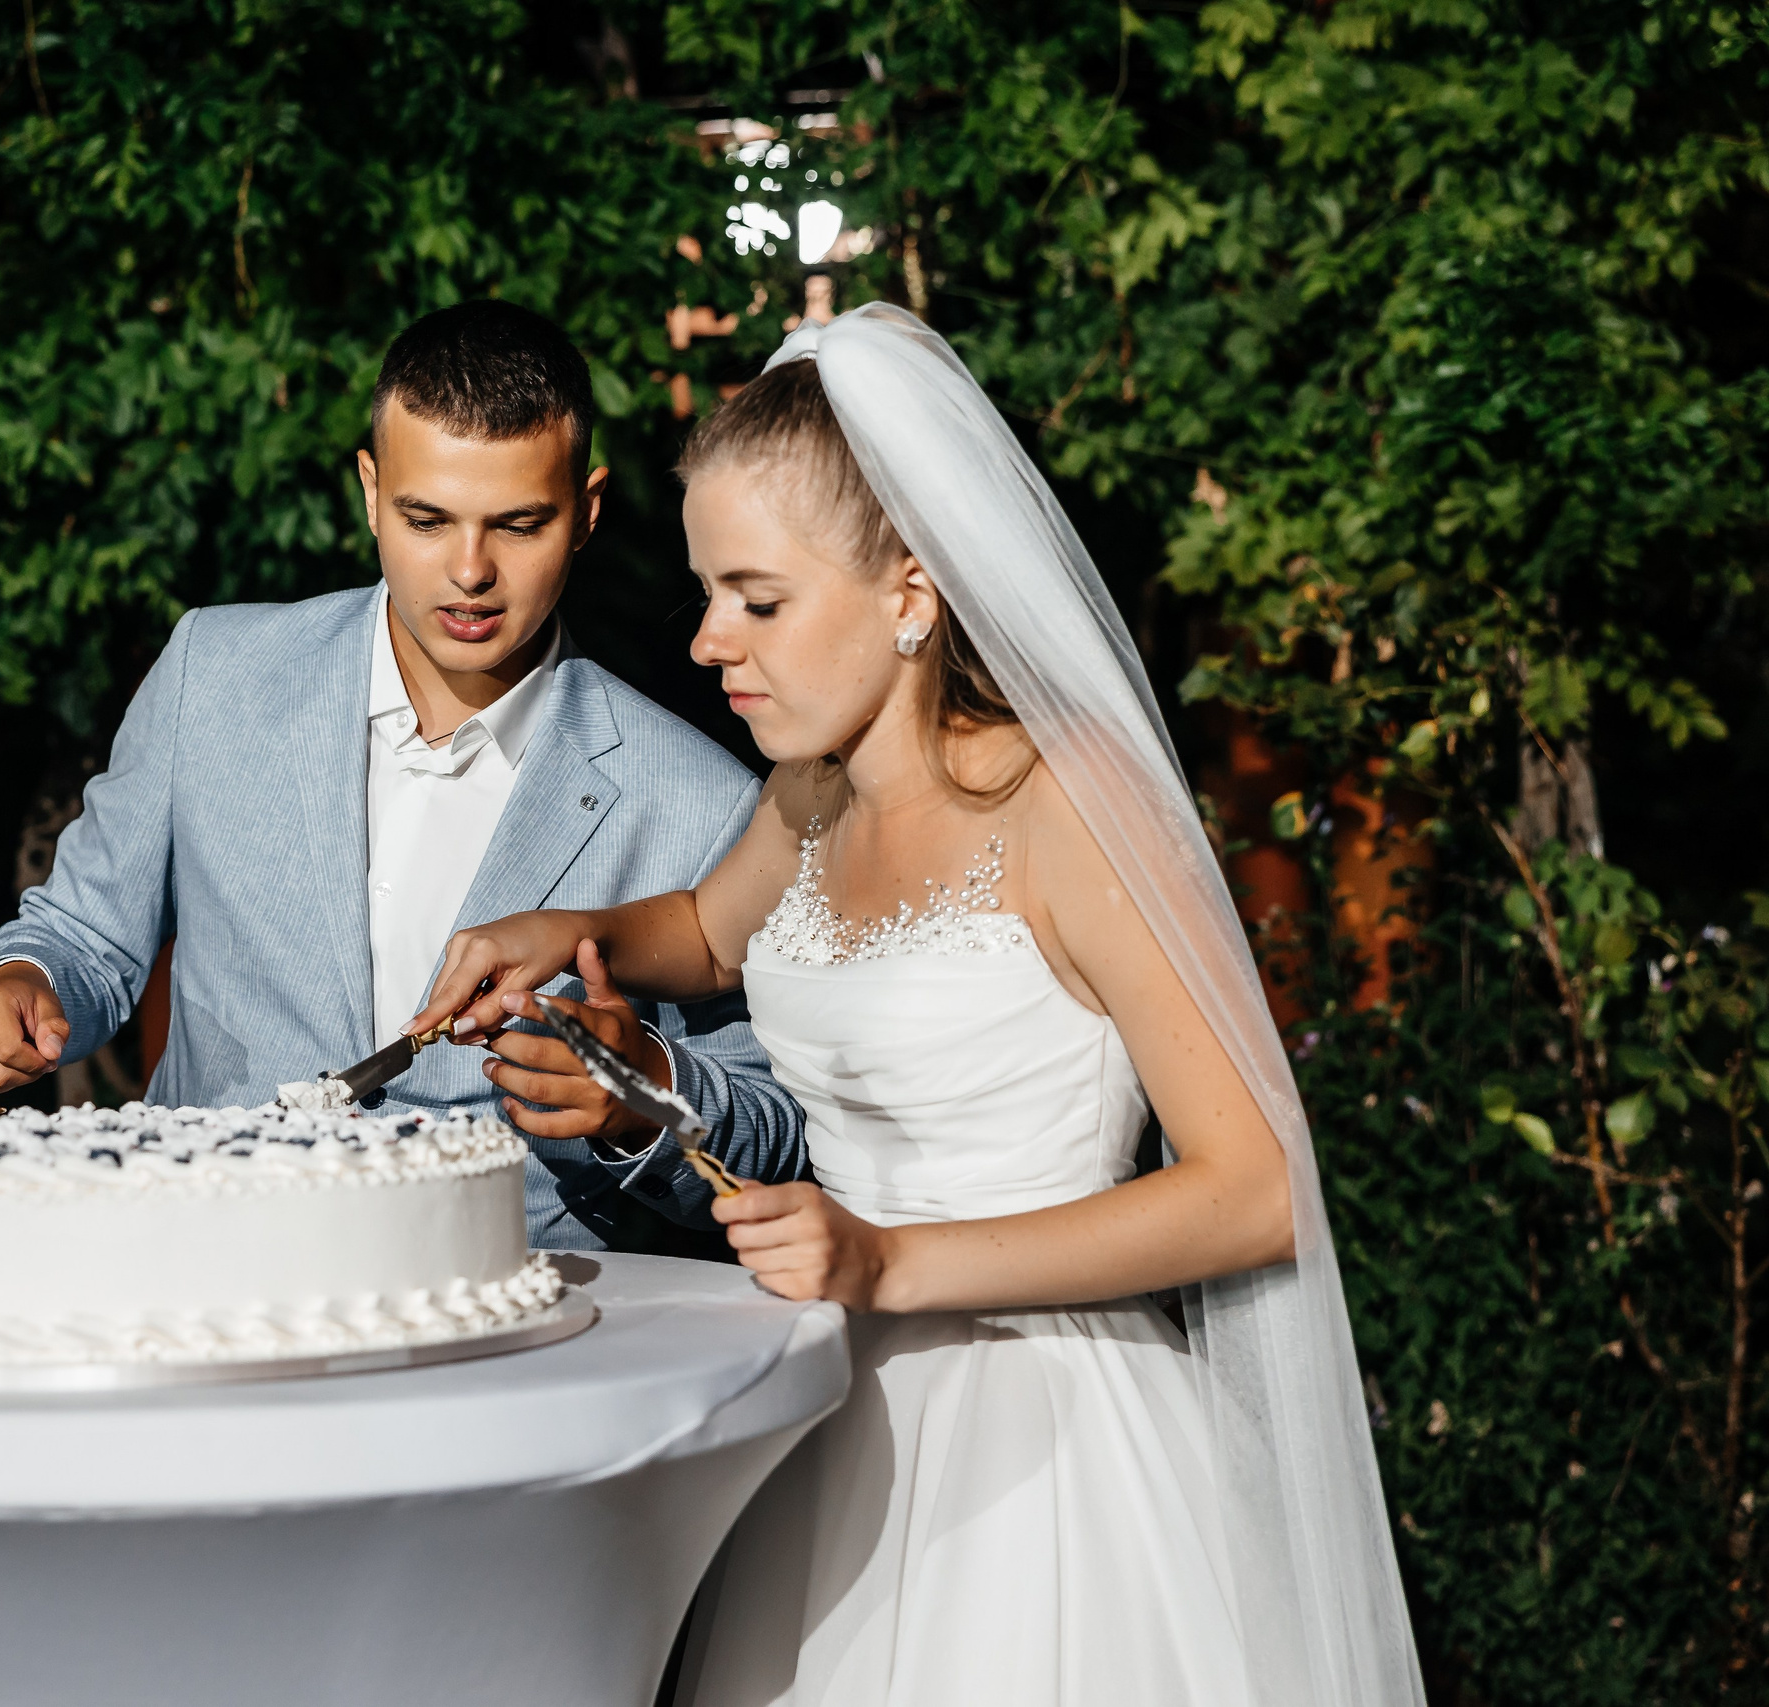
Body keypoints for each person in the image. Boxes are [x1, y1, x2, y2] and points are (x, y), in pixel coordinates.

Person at [409, 307, 1423, 1703]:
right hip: (830, 1416)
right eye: (709, 592)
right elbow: (707, 934)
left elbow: (1254, 1188)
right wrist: (566, 932)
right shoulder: (812, 793)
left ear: (909, 592)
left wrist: (890, 1262)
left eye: (758, 599)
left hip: (1048, 1443)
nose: (709, 639)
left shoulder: (1077, 808)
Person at [0, 301, 805, 1253]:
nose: (469, 571)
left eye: (518, 524)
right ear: (368, 488)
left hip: (495, 1338)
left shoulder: (706, 801)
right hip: (193, 1272)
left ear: (587, 511)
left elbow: (774, 1137)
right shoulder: (211, 672)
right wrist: (23, 980)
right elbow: (84, 931)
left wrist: (643, 1095)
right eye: (425, 518)